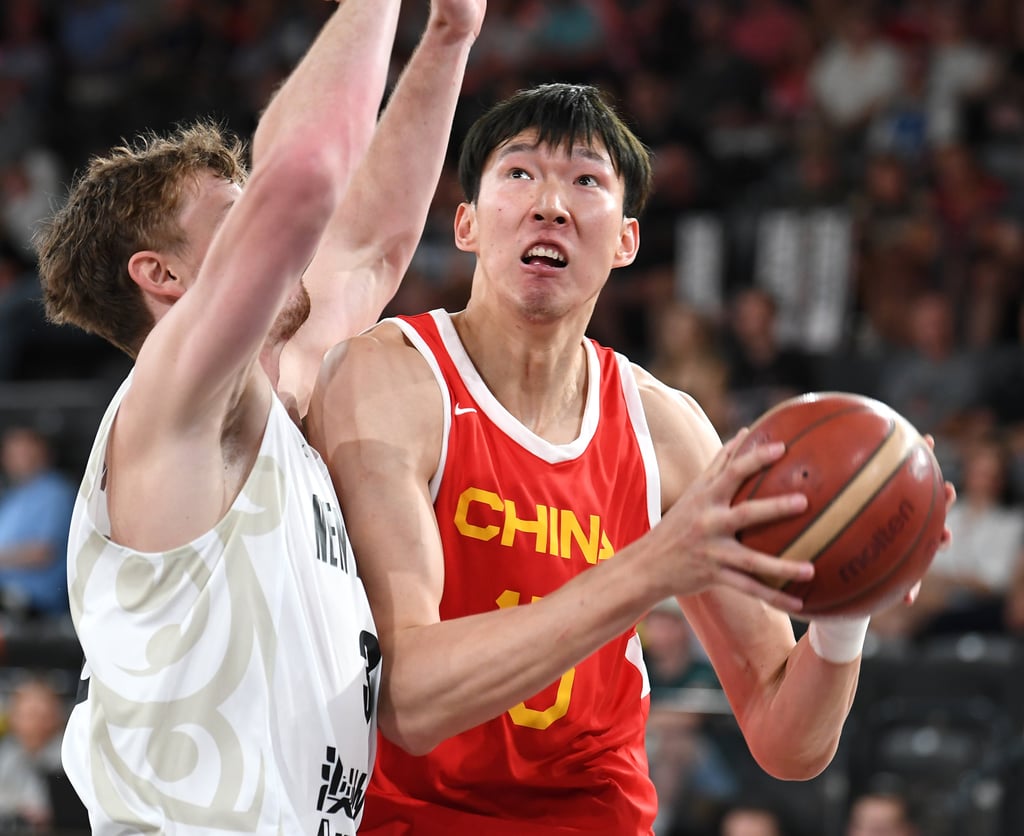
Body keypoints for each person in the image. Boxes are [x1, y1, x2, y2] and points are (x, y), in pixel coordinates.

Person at [307, 83, 952, 834]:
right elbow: (408, 701)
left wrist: (845, 612)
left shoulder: (666, 429)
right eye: (519, 173)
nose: (551, 205)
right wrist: (654, 567)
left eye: (586, 180)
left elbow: (788, 743)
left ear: (625, 241)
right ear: (467, 224)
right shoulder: (388, 378)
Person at [32, 0, 485, 832]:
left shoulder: (272, 401)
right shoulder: (172, 403)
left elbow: (372, 248)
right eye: (237, 217)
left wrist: (450, 35)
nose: (282, 243)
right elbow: (307, 177)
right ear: (162, 275)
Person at [0, 424, 76, 618]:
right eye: (13, 453)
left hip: (34, 601)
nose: (20, 459)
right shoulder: (12, 496)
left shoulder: (56, 492)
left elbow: (43, 552)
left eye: (26, 452)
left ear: (44, 453)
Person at [0, 675, 66, 831]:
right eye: (30, 715)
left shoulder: (68, 758)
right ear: (14, 718)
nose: (37, 723)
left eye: (44, 715)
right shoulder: (6, 754)